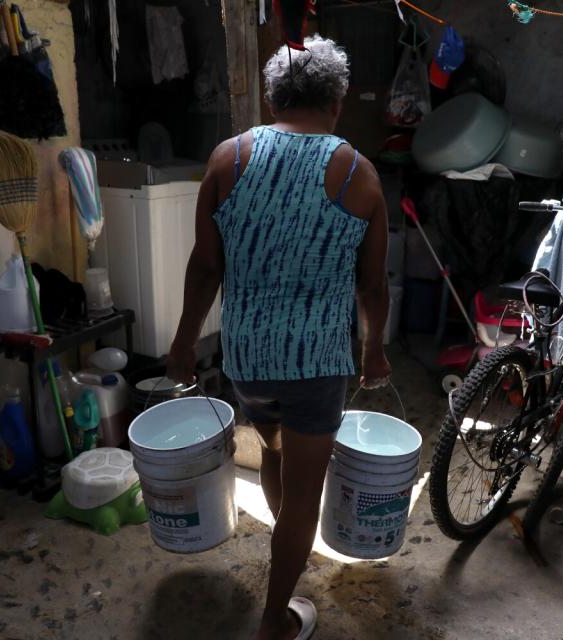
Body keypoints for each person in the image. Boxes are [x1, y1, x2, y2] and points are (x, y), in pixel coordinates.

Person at [166, 35, 391, 640]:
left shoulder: (228, 159)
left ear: (271, 99)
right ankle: (274, 621)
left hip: (249, 359)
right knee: (304, 494)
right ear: (337, 102)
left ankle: (281, 554)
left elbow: (204, 268)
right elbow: (372, 286)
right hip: (317, 364)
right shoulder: (358, 173)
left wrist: (184, 342)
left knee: (272, 451)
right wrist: (373, 350)